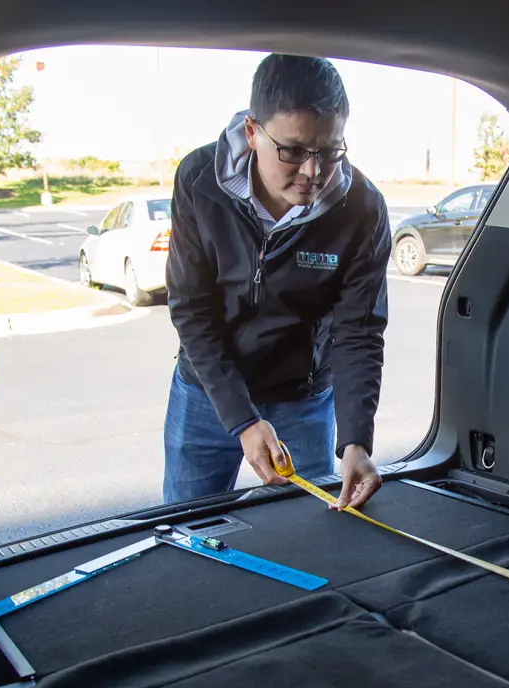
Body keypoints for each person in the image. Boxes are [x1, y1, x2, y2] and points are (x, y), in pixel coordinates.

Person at [164, 53, 391, 511]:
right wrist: (243, 420)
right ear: (252, 132)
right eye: (293, 151)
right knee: (186, 535)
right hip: (207, 394)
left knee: (305, 538)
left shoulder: (363, 209)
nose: (313, 171)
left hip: (302, 402)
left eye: (330, 151)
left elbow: (358, 332)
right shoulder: (198, 181)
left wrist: (355, 442)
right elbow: (191, 311)